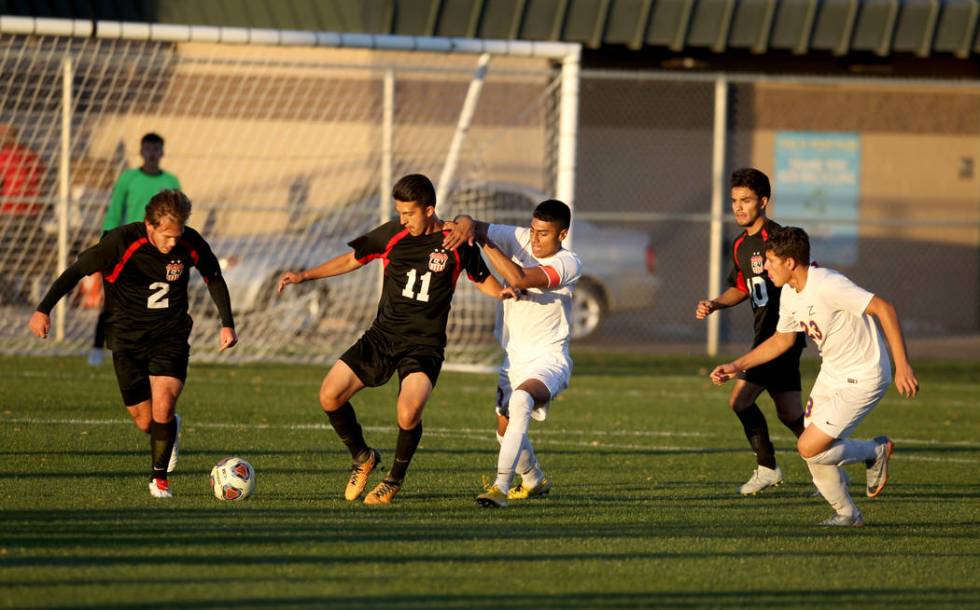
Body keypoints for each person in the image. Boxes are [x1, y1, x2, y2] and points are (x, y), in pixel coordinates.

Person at [277, 174, 508, 505]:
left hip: (424, 345)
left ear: (429, 209)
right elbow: (351, 259)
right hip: (382, 336)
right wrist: (305, 275)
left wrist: (507, 293)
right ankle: (363, 457)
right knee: (329, 396)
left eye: (409, 213)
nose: (403, 219)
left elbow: (483, 280)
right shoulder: (393, 234)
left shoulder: (456, 242)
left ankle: (393, 480)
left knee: (408, 411)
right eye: (400, 212)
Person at [29, 190, 237, 498]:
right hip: (126, 339)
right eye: (166, 236)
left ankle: (159, 480)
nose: (172, 243)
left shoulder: (190, 242)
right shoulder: (120, 243)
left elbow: (213, 276)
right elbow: (75, 271)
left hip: (171, 335)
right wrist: (43, 309)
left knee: (164, 404)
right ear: (149, 225)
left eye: (177, 235)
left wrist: (227, 323)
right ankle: (168, 430)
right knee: (145, 421)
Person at [710, 227, 918, 527]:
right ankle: (848, 514)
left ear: (791, 262)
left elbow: (884, 308)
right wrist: (735, 365)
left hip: (865, 373)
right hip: (833, 371)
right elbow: (782, 341)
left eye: (770, 261)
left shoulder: (827, 284)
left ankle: (876, 450)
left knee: (808, 446)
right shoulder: (791, 294)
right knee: (812, 450)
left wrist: (903, 366)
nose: (764, 267)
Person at [444, 200, 581, 508]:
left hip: (549, 359)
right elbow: (472, 224)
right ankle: (534, 479)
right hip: (513, 359)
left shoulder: (569, 263)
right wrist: (466, 224)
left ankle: (499, 488)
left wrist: (485, 242)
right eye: (533, 230)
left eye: (543, 233)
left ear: (562, 234)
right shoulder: (519, 237)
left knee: (521, 401)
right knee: (505, 432)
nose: (534, 239)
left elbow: (519, 278)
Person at [696, 168, 807, 495]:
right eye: (734, 201)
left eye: (746, 200)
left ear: (764, 201)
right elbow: (743, 287)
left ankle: (768, 467)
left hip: (781, 338)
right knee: (790, 414)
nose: (739, 207)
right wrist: (715, 303)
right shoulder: (741, 245)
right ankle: (833, 467)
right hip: (764, 336)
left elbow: (803, 278)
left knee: (741, 400)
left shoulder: (781, 239)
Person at [89, 132, 181, 367]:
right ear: (141, 151)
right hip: (129, 248)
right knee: (113, 299)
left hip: (158, 251)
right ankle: (98, 347)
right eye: (147, 149)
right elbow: (114, 212)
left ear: (162, 152)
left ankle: (157, 349)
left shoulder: (171, 181)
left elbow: (178, 217)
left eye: (156, 149)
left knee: (158, 301)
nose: (151, 153)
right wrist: (106, 243)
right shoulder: (128, 178)